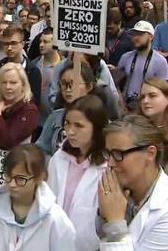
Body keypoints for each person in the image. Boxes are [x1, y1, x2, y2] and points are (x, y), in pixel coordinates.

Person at [98, 115, 168, 250]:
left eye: (118, 153)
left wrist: (114, 224)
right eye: (108, 153)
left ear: (150, 153)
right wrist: (103, 217)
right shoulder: (116, 191)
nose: (110, 163)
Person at [0, 144, 76, 251]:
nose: (12, 184)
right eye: (8, 176)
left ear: (40, 177)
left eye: (20, 179)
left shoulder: (56, 220)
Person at [47, 95, 108, 250]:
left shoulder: (107, 168)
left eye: (79, 126)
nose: (70, 132)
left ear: (96, 127)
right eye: (67, 124)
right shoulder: (59, 158)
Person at [37, 63, 121, 158]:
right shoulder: (54, 117)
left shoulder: (102, 120)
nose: (68, 89)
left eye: (74, 84)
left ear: (89, 86)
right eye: (64, 84)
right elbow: (40, 150)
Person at [0, 63, 39, 150]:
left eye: (13, 83)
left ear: (23, 85)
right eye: (4, 82)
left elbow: (8, 141)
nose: (8, 87)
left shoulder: (30, 111)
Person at [117, 20, 168, 110]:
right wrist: (121, 104)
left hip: (146, 107)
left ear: (151, 37)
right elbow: (118, 84)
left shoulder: (160, 61)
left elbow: (162, 90)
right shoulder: (125, 57)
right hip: (125, 107)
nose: (135, 37)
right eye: (134, 34)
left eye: (140, 34)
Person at [0, 26, 42, 107]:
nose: (9, 48)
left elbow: (35, 102)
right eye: (6, 44)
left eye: (13, 43)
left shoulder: (32, 71)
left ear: (22, 44)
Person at [33, 27, 61, 121]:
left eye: (46, 42)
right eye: (40, 41)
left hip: (55, 119)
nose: (41, 45)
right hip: (36, 120)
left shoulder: (63, 67)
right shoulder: (33, 66)